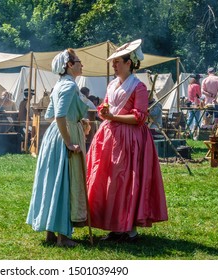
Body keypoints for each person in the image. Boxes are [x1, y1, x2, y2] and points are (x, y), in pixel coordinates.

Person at [86, 39, 168, 242]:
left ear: (128, 63)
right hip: (110, 137)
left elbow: (139, 117)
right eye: (113, 62)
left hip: (131, 139)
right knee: (110, 182)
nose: (113, 65)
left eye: (117, 62)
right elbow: (105, 107)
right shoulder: (112, 84)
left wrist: (112, 117)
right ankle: (114, 225)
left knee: (127, 182)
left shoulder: (138, 87)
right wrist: (104, 112)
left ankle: (129, 228)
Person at [26, 48, 89, 247]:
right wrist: (69, 141)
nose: (81, 64)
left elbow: (49, 115)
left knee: (53, 181)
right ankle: (63, 236)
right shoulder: (69, 86)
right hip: (64, 134)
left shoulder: (59, 85)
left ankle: (51, 233)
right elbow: (59, 115)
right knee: (64, 183)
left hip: (55, 135)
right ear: (69, 65)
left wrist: (79, 119)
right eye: (78, 61)